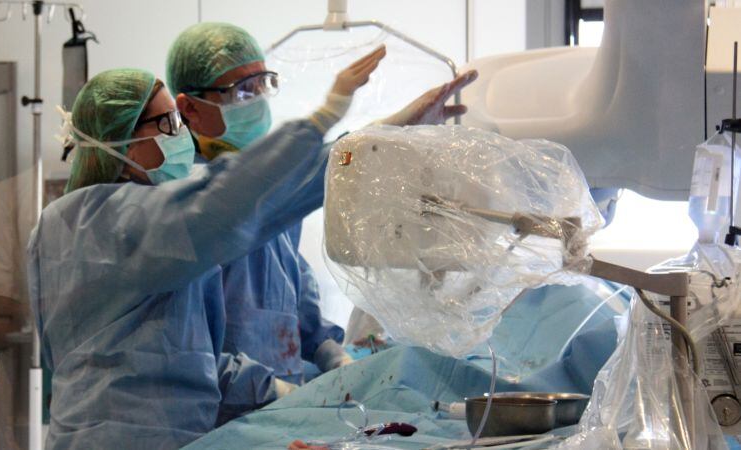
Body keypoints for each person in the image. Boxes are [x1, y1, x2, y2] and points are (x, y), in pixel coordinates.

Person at [28, 47, 382, 449]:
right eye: (166, 122)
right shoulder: (110, 224)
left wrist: (372, 146)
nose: (180, 133)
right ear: (123, 143)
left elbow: (193, 359)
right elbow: (230, 201)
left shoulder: (123, 223)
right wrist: (323, 117)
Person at [165, 23, 478, 417]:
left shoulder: (266, 185)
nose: (259, 100)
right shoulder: (186, 201)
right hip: (223, 415)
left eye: (264, 84)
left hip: (279, 409)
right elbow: (190, 349)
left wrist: (330, 353)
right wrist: (273, 390)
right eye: (243, 91)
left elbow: (294, 294)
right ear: (189, 107)